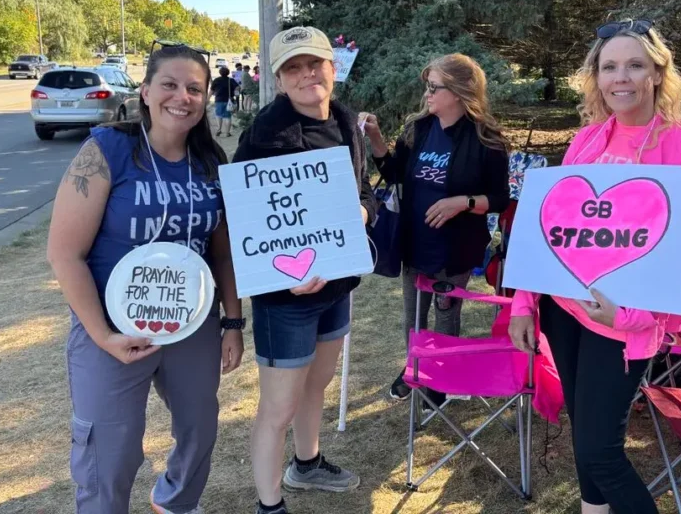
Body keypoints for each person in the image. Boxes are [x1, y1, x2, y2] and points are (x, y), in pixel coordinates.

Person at [508, 20, 681, 514]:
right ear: (595, 78)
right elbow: (551, 228)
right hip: (565, 310)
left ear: (657, 73)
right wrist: (523, 303)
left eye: (634, 65)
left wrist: (627, 318)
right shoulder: (585, 141)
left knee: (601, 452)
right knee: (586, 435)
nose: (620, 77)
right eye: (609, 67)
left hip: (624, 326)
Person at [47, 44, 244, 514]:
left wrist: (233, 322)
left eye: (195, 88)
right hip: (112, 324)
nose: (183, 97)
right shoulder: (108, 150)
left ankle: (176, 502)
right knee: (112, 450)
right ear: (147, 91)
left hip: (192, 320)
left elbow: (223, 251)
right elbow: (64, 254)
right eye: (171, 85)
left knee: (200, 426)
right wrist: (103, 336)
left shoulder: (210, 162)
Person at [231, 26, 376, 514]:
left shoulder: (343, 120)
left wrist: (364, 212)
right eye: (293, 67)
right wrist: (282, 272)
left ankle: (307, 463)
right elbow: (243, 217)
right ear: (277, 79)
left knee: (318, 382)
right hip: (285, 299)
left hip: (336, 285)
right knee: (278, 407)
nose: (306, 74)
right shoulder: (264, 137)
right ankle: (269, 505)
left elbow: (364, 191)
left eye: (314, 63)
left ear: (333, 67)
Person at [363, 53, 510, 402]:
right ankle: (416, 365)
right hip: (415, 240)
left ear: (458, 92)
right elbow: (395, 171)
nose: (427, 94)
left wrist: (462, 202)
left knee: (446, 312)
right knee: (413, 315)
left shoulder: (487, 139)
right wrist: (376, 137)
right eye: (427, 87)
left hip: (456, 245)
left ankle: (442, 375)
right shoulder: (420, 128)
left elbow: (500, 198)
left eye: (434, 88)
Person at [211, 66, 235, 137]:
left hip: (218, 100)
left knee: (219, 115)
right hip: (229, 101)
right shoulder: (230, 80)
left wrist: (207, 99)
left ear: (220, 72)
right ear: (228, 72)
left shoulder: (216, 80)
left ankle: (219, 130)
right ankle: (227, 133)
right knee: (228, 117)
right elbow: (238, 87)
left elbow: (211, 91)